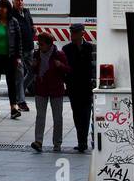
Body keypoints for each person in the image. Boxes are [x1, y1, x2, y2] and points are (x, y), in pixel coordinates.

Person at [30, 32, 72, 153]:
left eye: (42, 44)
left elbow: (68, 70)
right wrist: (33, 66)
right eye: (39, 44)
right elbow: (34, 71)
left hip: (56, 89)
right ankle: (38, 141)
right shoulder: (37, 54)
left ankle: (57, 143)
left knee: (57, 117)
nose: (39, 47)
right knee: (40, 116)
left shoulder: (59, 55)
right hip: (41, 88)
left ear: (49, 44)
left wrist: (60, 66)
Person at [62, 23, 97, 152]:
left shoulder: (90, 47)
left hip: (87, 86)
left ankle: (83, 141)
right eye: (71, 33)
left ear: (82, 33)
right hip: (73, 86)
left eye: (75, 32)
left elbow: (94, 67)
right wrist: (67, 82)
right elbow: (65, 68)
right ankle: (81, 141)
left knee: (86, 114)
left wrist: (93, 82)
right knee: (76, 114)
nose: (73, 35)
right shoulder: (67, 49)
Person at [11, 0, 35, 113]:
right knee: (19, 76)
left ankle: (19, 94)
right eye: (17, 0)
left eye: (21, 0)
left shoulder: (26, 11)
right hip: (18, 51)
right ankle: (21, 101)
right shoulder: (11, 14)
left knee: (33, 71)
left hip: (29, 48)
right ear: (13, 2)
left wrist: (33, 31)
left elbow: (31, 25)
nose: (20, 2)